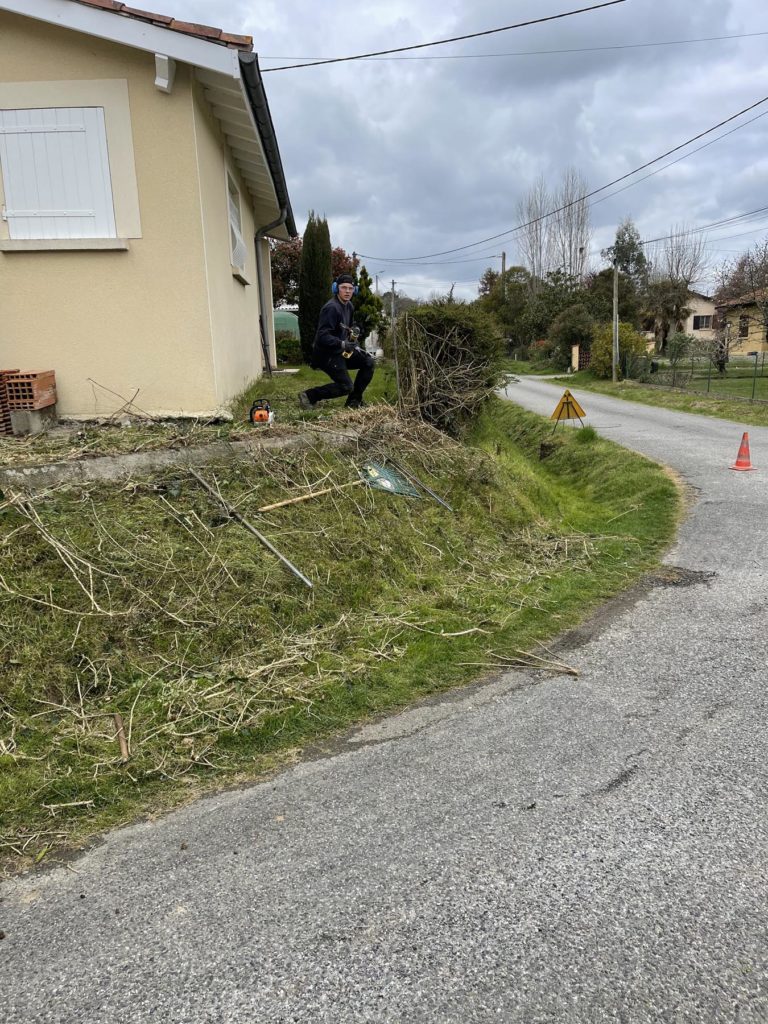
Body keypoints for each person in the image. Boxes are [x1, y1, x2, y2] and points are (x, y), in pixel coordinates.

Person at [298, 274, 374, 410]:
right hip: (327, 355)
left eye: (350, 288)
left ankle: (354, 402)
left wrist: (355, 330)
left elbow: (347, 328)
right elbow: (322, 336)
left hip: (340, 351)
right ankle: (309, 396)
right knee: (346, 386)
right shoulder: (331, 308)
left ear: (354, 290)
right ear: (336, 289)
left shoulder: (349, 306)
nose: (347, 291)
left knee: (368, 362)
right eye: (344, 288)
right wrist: (342, 344)